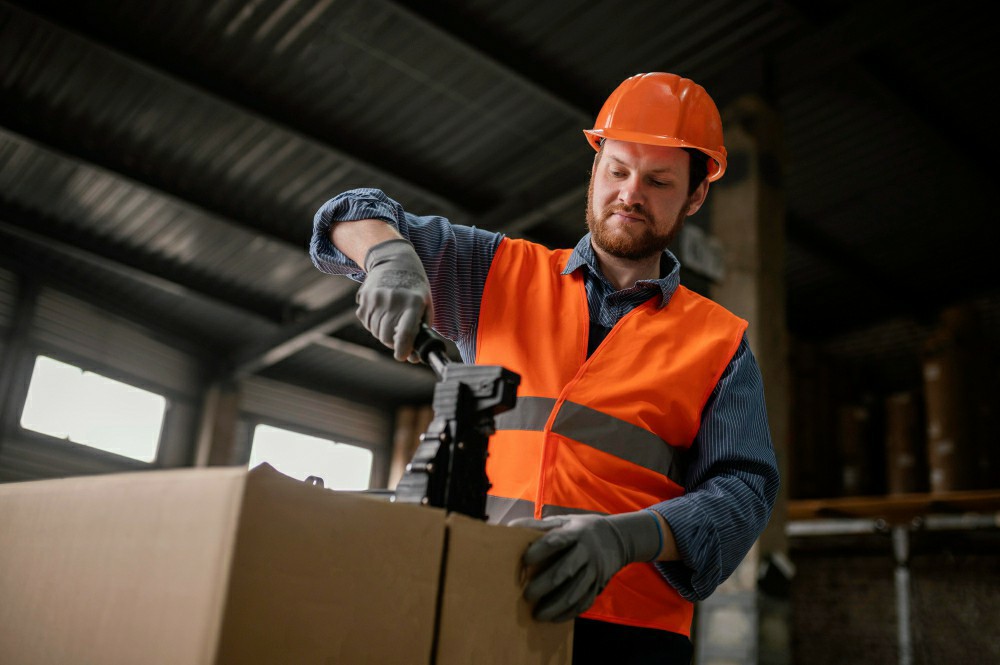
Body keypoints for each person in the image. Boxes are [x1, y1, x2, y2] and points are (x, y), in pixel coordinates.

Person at [310, 72, 779, 664]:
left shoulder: (719, 343)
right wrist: (388, 255)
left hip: (630, 633)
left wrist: (626, 537)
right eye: (617, 170)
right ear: (595, 168)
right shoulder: (497, 272)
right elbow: (347, 211)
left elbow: (743, 492)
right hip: (473, 599)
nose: (630, 193)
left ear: (694, 196)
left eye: (658, 180)